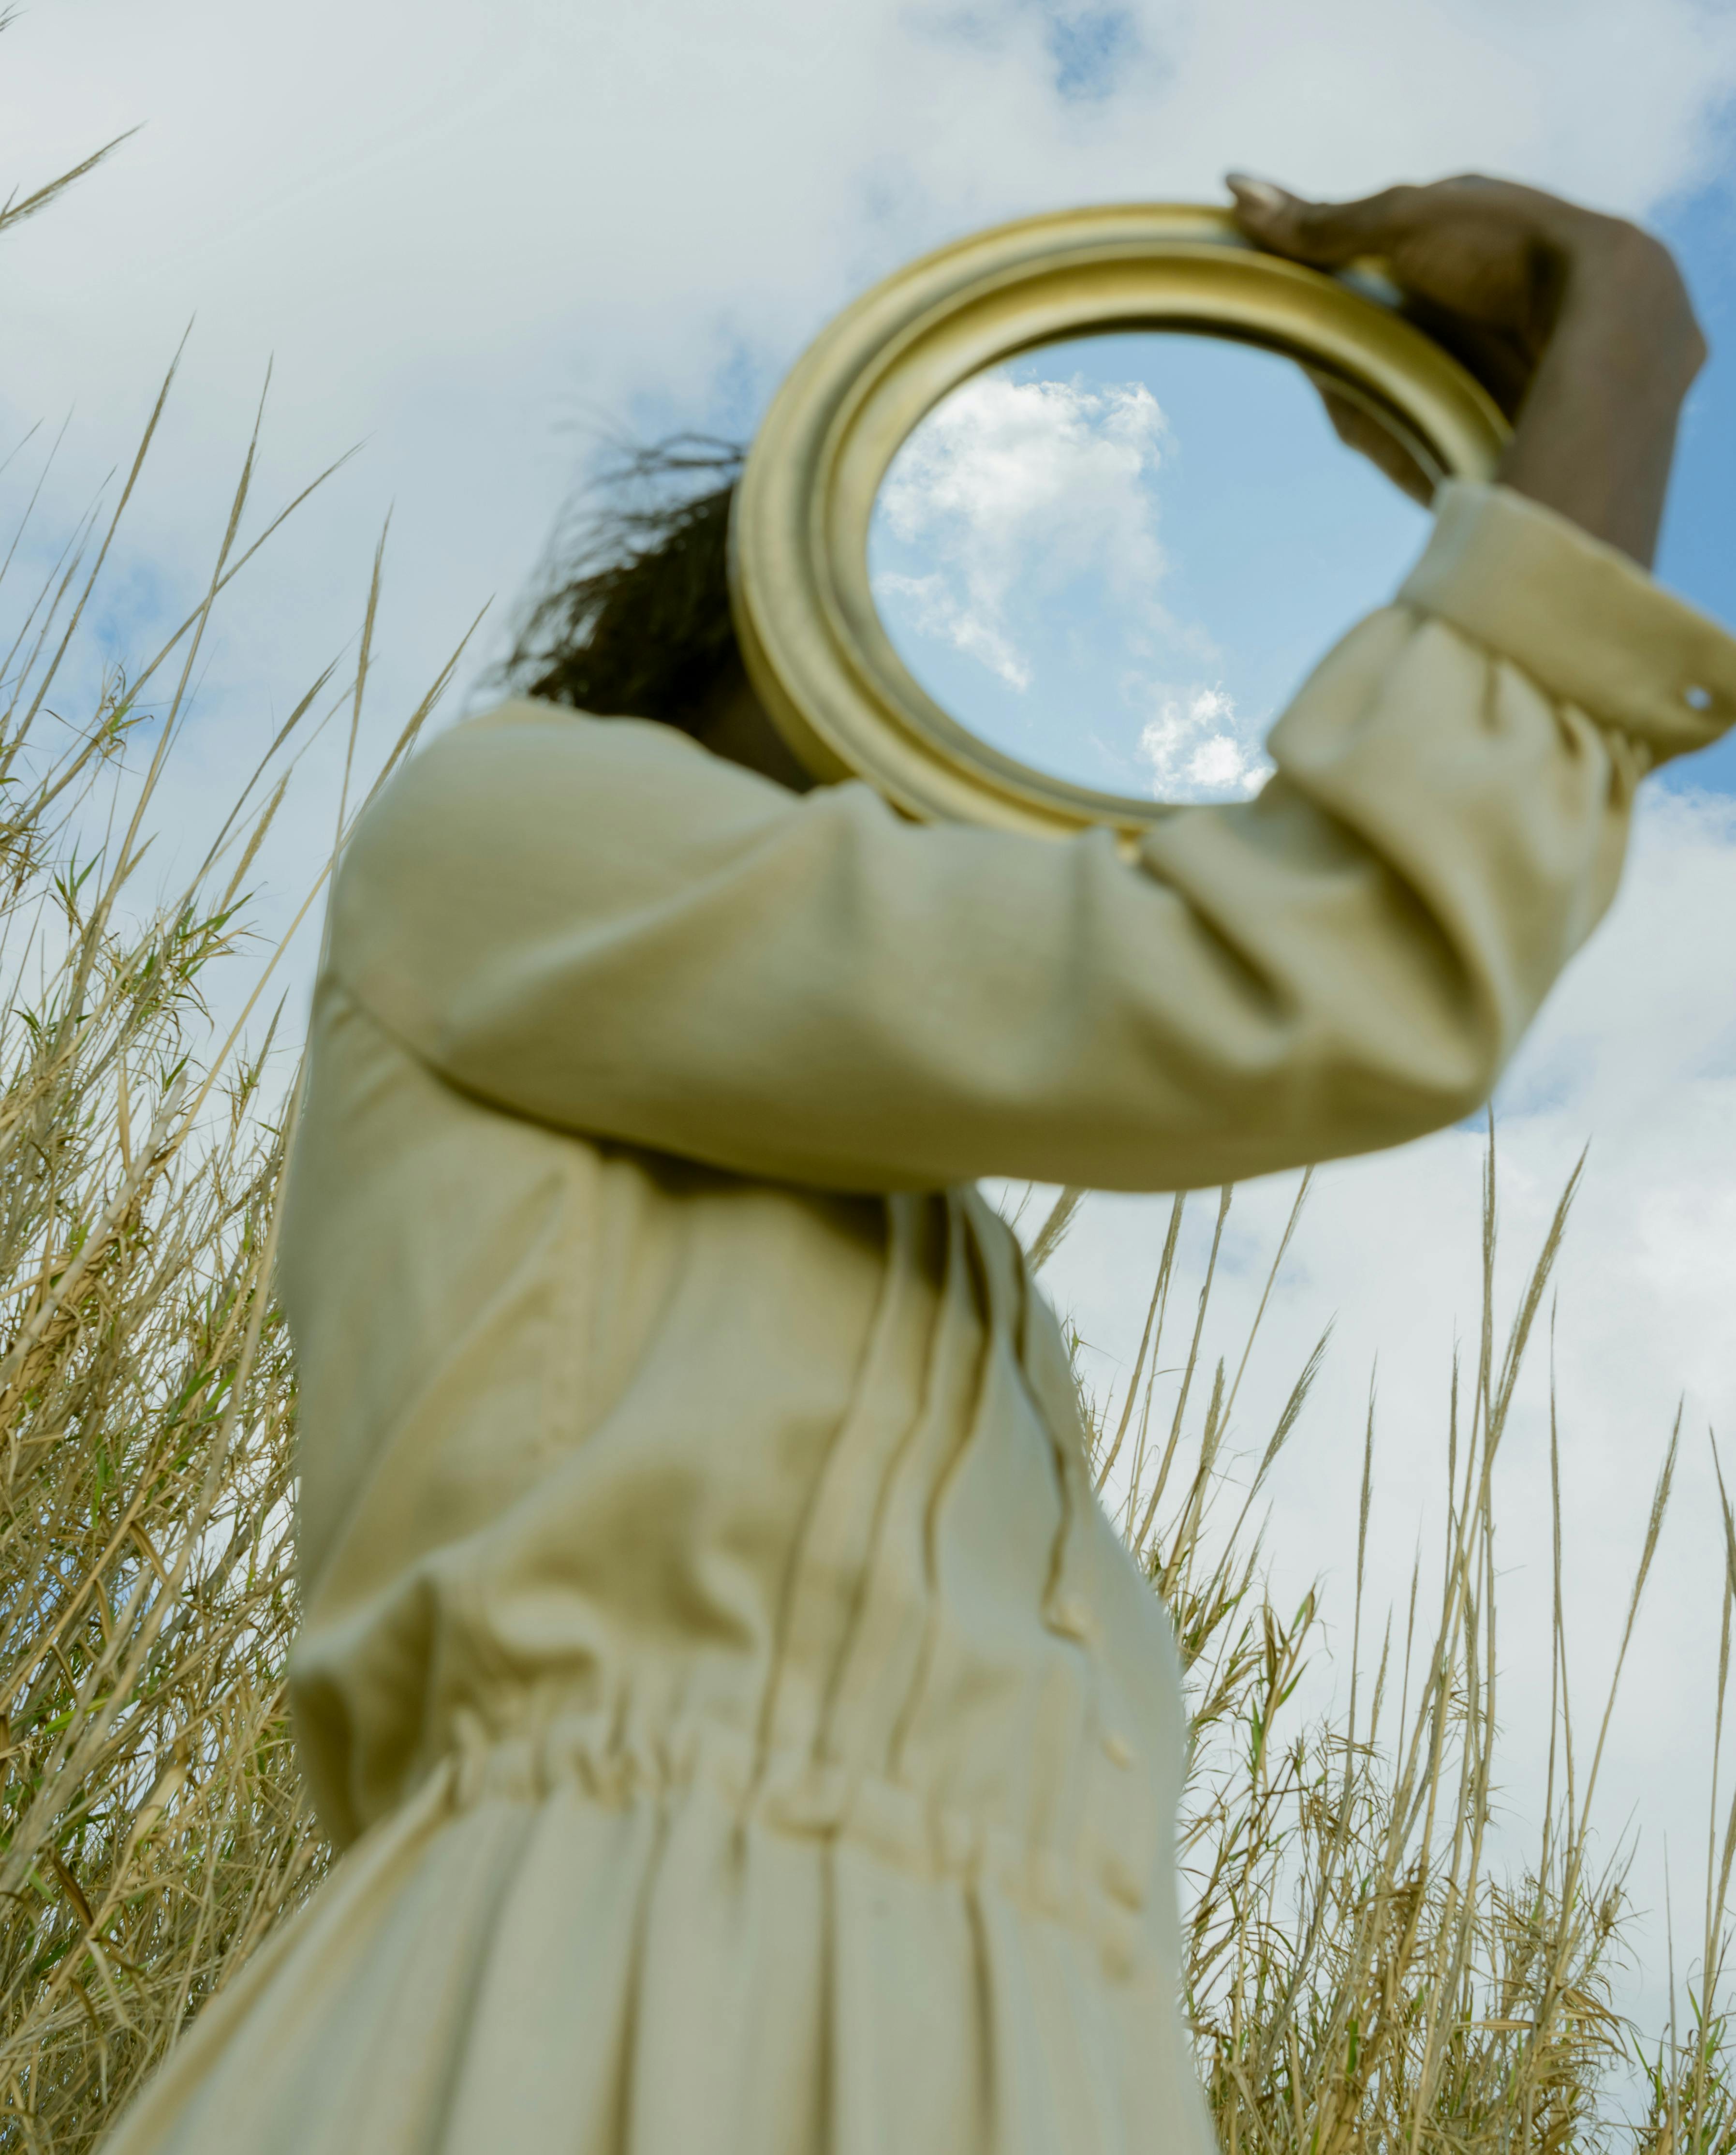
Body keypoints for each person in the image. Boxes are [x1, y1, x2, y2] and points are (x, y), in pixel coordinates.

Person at [102, 174, 1736, 2153]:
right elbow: (1326, 979)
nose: (982, 785)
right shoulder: (513, 828)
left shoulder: (921, 1251)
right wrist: (1618, 350)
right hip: (620, 2012)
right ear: (784, 605)